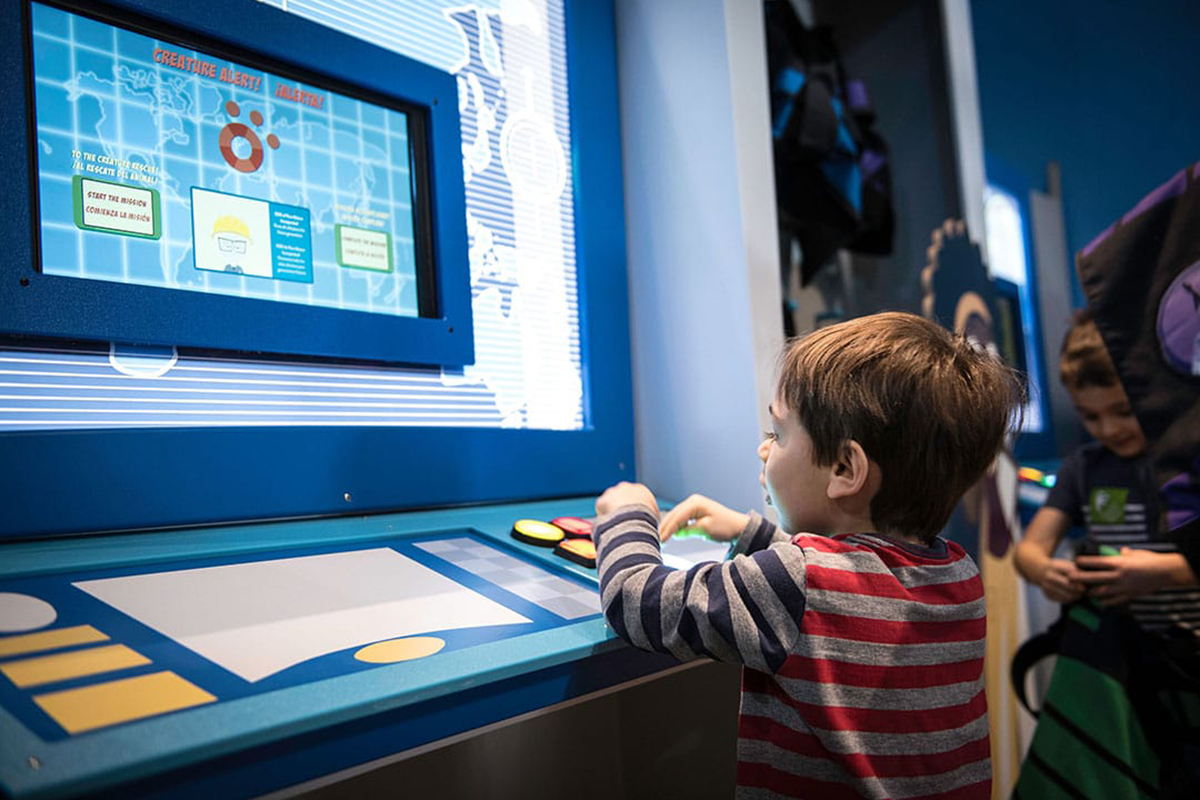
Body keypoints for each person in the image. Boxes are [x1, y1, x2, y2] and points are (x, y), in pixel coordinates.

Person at [593, 311, 1023, 799]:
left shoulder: (796, 585)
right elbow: (855, 589)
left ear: (845, 467)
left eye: (777, 434)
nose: (762, 449)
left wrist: (627, 514)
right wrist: (749, 532)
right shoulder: (959, 575)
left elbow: (637, 601)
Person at [1014, 310, 1199, 633]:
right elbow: (1029, 551)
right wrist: (1044, 571)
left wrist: (1171, 571)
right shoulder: (1083, 468)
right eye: (1090, 416)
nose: (1109, 429)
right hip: (1120, 660)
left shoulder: (1190, 461)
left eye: (1123, 411)